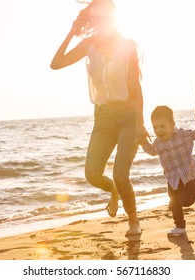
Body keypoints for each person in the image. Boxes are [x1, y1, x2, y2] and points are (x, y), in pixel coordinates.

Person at [50, 0, 147, 236]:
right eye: (96, 17)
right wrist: (72, 32)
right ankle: (114, 191)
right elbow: (56, 64)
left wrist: (140, 124)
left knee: (120, 174)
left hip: (128, 116)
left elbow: (136, 87)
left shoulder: (127, 46)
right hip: (102, 119)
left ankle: (134, 222)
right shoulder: (88, 45)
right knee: (92, 174)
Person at [141, 106, 195, 237]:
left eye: (162, 126)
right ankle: (179, 227)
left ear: (172, 124)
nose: (158, 131)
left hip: (189, 176)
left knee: (186, 201)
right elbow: (151, 151)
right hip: (172, 179)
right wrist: (142, 140)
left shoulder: (183, 135)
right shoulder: (157, 143)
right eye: (155, 127)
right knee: (174, 203)